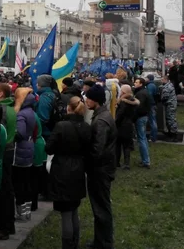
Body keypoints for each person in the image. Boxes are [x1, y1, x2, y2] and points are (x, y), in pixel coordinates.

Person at [46, 97, 91, 249]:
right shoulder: (85, 126)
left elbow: (49, 148)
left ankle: (67, 245)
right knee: (74, 208)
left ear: (68, 108)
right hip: (78, 168)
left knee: (66, 211)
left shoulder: (61, 126)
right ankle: (75, 243)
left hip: (62, 169)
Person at [84, 85, 117, 249]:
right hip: (103, 168)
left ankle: (104, 243)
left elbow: (97, 150)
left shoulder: (101, 121)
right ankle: (100, 241)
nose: (85, 100)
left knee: (101, 207)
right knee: (100, 207)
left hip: (100, 170)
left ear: (95, 100)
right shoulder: (103, 115)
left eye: (88, 98)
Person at [0, 82, 16, 240]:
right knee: (8, 189)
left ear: (1, 94)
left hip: (3, 153)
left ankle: (3, 227)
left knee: (2, 192)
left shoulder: (1, 110)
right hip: (10, 150)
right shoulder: (12, 109)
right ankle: (9, 225)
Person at [12, 87, 36, 221]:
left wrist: (11, 136)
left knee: (19, 182)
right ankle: (26, 211)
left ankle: (20, 212)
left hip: (20, 150)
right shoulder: (31, 111)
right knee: (26, 181)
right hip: (29, 146)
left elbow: (20, 132)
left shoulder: (21, 114)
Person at [114, 85, 140, 169]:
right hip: (129, 124)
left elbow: (120, 114)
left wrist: (115, 122)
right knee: (127, 146)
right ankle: (126, 163)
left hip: (121, 125)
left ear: (123, 92)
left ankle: (116, 162)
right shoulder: (133, 101)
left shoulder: (123, 102)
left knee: (118, 145)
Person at [133, 78, 152, 168]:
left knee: (141, 139)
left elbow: (139, 106)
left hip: (140, 117)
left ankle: (146, 161)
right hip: (144, 116)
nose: (134, 83)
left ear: (141, 84)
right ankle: (145, 159)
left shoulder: (140, 93)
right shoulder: (144, 91)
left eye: (136, 82)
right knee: (143, 138)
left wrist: (134, 116)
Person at [160, 76, 178, 141]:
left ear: (165, 80)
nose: (161, 81)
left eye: (162, 80)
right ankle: (171, 132)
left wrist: (161, 100)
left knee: (171, 119)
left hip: (170, 105)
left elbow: (165, 96)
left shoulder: (167, 87)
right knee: (169, 119)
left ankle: (173, 135)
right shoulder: (169, 85)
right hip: (171, 104)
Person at [145, 74, 159, 142]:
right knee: (152, 120)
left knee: (152, 121)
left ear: (149, 79)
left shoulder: (150, 86)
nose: (145, 79)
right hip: (153, 104)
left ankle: (153, 137)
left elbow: (149, 95)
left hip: (151, 105)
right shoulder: (153, 85)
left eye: (146, 78)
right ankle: (153, 136)